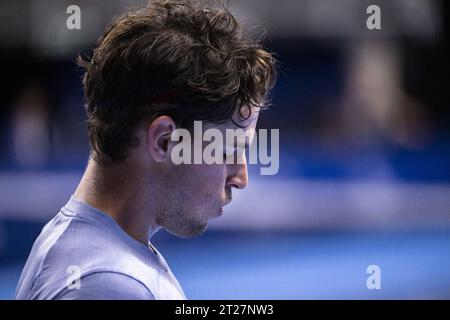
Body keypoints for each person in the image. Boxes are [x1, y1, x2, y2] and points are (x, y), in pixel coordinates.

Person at [16, 0, 276, 300]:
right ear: (164, 141)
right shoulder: (108, 284)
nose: (241, 177)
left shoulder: (99, 259)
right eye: (229, 150)